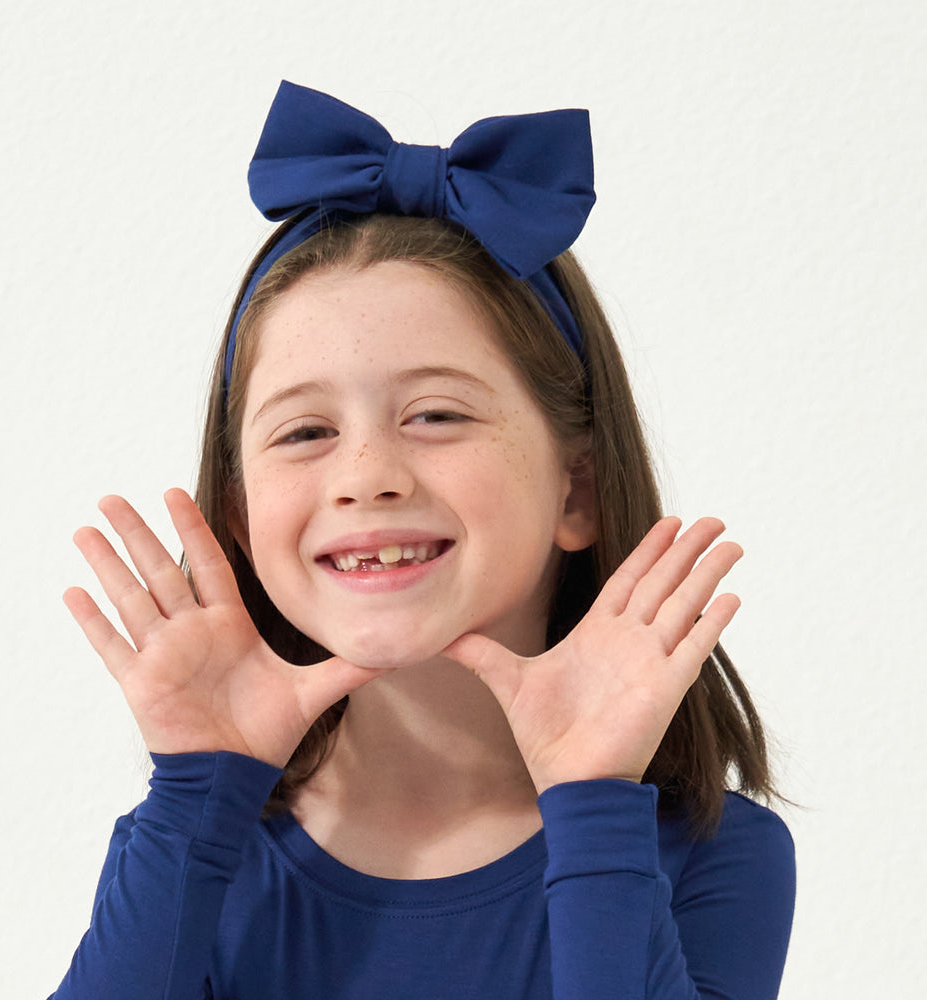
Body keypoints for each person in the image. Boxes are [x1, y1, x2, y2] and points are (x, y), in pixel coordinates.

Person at [50, 81, 795, 999]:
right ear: (241, 518)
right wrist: (198, 797)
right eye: (304, 432)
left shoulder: (715, 859)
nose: (367, 472)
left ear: (580, 491)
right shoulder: (197, 843)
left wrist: (595, 807)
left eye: (436, 414)